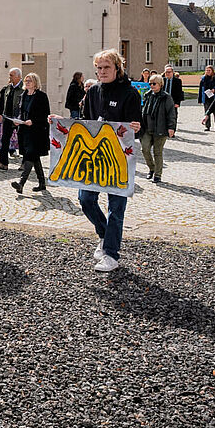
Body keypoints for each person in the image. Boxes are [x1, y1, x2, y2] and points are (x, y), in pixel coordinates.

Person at [78, 49, 142, 272]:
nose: (102, 71)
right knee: (85, 199)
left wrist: (136, 128)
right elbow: (85, 124)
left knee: (116, 208)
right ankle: (104, 235)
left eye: (106, 67)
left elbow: (139, 129)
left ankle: (111, 255)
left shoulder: (130, 93)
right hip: (94, 158)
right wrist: (62, 124)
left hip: (119, 160)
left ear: (117, 68)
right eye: (99, 68)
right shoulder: (93, 91)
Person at [11, 72, 50, 194]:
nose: (27, 82)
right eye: (26, 80)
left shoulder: (41, 96)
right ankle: (42, 183)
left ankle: (21, 183)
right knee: (34, 156)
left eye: (30, 81)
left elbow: (45, 115)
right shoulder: (23, 95)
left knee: (30, 155)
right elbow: (20, 112)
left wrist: (33, 121)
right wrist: (18, 120)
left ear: (35, 83)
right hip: (24, 131)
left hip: (37, 131)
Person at [140, 74, 176, 183]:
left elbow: (171, 113)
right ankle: (152, 168)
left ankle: (158, 174)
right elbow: (142, 110)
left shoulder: (166, 97)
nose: (151, 85)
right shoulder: (147, 95)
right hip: (146, 127)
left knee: (157, 152)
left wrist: (171, 127)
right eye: (150, 83)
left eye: (154, 83)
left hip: (160, 128)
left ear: (160, 84)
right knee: (144, 149)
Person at [0, 68, 24, 169]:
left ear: (18, 76)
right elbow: (2, 101)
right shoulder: (7, 88)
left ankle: (24, 164)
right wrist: (0, 114)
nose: (10, 77)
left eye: (11, 75)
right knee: (5, 140)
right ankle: (3, 163)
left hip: (19, 119)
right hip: (7, 118)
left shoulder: (23, 88)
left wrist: (22, 118)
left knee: (22, 140)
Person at [198, 65, 215, 131]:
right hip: (206, 98)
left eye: (209, 70)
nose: (208, 72)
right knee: (207, 112)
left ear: (212, 71)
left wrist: (214, 89)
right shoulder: (203, 79)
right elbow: (200, 89)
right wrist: (200, 99)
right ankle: (208, 126)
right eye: (206, 70)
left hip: (214, 98)